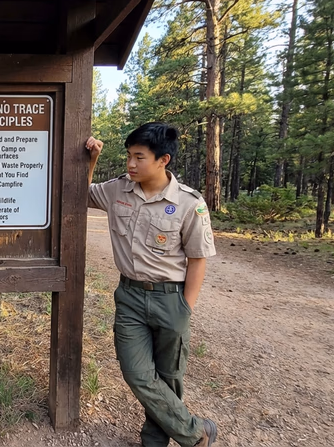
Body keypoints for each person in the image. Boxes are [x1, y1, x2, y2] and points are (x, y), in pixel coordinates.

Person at [85, 123, 218, 447]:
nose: (130, 164)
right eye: (129, 156)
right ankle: (195, 432)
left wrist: (186, 306)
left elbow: (198, 258)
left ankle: (153, 441)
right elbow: (81, 194)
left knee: (169, 376)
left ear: (163, 160)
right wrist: (92, 161)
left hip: (171, 298)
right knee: (137, 373)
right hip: (129, 296)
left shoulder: (189, 203)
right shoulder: (118, 190)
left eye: (139, 157)